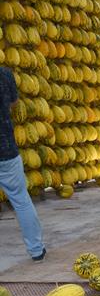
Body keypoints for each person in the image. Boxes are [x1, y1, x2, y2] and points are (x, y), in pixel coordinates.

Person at [0, 67, 45, 262]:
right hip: (6, 149)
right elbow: (13, 103)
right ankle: (36, 250)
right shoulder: (5, 74)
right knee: (21, 200)